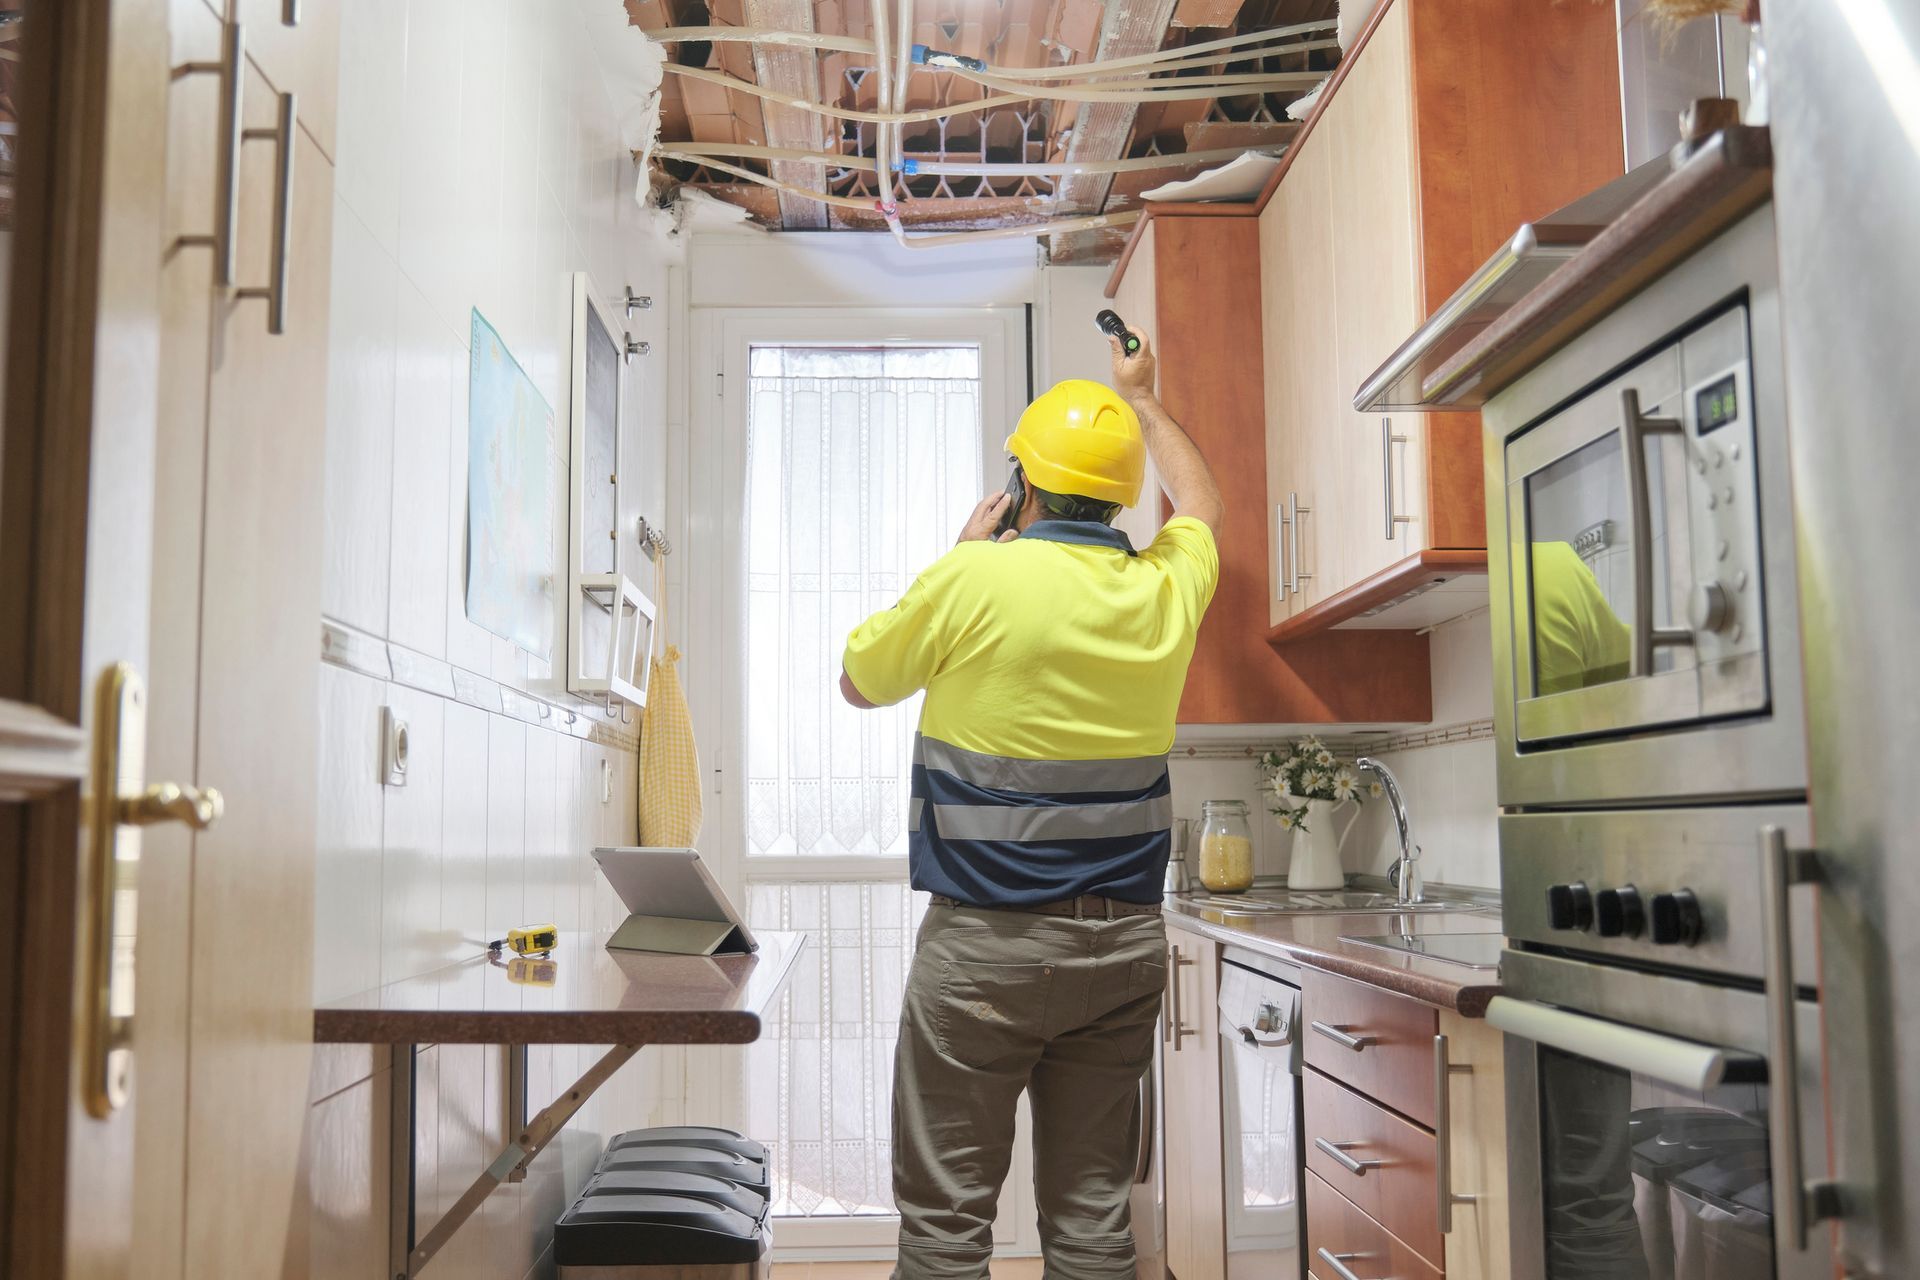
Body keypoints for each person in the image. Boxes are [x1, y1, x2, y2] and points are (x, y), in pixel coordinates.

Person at [837, 331, 1224, 1280]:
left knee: (946, 1227)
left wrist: (964, 551)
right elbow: (1204, 505)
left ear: (1021, 487)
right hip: (1124, 952)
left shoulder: (975, 576)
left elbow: (857, 679)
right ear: (1122, 496)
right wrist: (1142, 401)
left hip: (985, 957)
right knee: (1095, 1222)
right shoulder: (1167, 588)